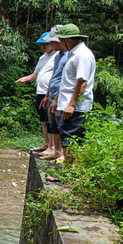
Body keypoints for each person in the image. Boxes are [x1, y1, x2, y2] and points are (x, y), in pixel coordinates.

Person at [50, 24, 96, 163]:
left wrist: (72, 104)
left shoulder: (82, 55)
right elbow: (67, 82)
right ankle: (68, 170)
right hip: (67, 104)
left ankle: (70, 171)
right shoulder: (73, 54)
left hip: (76, 107)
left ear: (67, 40)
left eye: (61, 40)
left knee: (72, 139)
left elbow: (82, 82)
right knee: (67, 137)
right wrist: (57, 100)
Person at [16, 31, 57, 153]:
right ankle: (47, 144)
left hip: (50, 93)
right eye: (42, 44)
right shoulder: (42, 57)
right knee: (43, 119)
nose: (43, 46)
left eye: (46, 44)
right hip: (40, 91)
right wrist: (27, 78)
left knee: (51, 119)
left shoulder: (57, 56)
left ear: (53, 43)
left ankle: (53, 147)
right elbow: (36, 73)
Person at [39, 24, 67, 161]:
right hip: (52, 94)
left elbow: (66, 80)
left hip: (61, 96)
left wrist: (56, 98)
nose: (49, 43)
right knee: (52, 124)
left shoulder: (69, 56)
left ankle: (61, 154)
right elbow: (54, 77)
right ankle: (55, 152)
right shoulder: (58, 57)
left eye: (51, 41)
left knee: (62, 124)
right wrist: (47, 95)